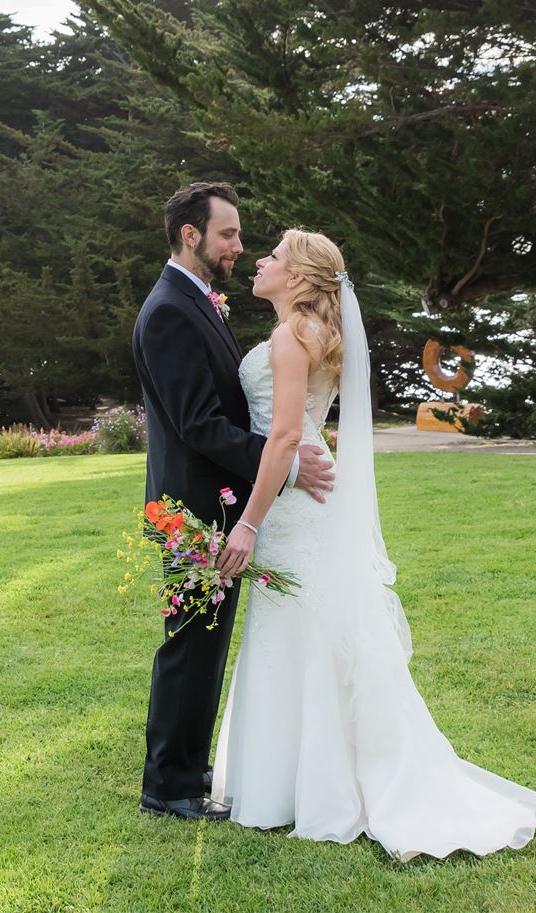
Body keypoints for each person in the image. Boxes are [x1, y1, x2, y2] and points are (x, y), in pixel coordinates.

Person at [211, 228, 536, 860]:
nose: (260, 261)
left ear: (299, 277)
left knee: (298, 627)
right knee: (310, 628)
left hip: (289, 497)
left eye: (275, 257)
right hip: (307, 496)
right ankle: (302, 778)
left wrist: (248, 523)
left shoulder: (291, 337)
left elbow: (285, 438)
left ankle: (303, 786)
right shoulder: (315, 334)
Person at [132, 182, 335, 821]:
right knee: (191, 645)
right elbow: (197, 424)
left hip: (214, 503)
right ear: (190, 235)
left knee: (205, 643)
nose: (239, 248)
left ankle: (188, 768)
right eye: (228, 235)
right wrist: (283, 466)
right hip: (192, 508)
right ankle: (168, 786)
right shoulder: (169, 309)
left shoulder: (200, 302)